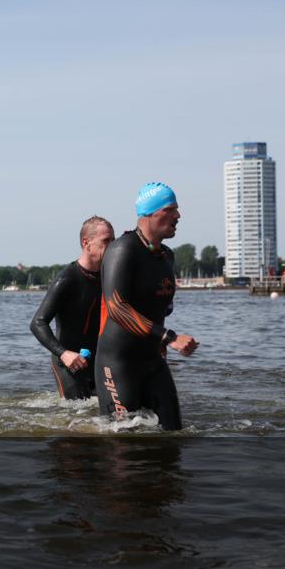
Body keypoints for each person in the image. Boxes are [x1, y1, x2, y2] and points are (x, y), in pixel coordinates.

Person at [95, 183, 198, 431]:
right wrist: (167, 337)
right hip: (119, 362)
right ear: (150, 213)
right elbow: (118, 308)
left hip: (152, 359)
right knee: (124, 443)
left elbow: (160, 305)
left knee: (174, 433)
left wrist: (160, 340)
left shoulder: (166, 256)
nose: (178, 216)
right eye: (171, 209)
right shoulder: (122, 250)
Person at [30, 216, 114, 400]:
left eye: (113, 240)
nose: (112, 246)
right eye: (106, 240)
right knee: (77, 415)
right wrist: (63, 354)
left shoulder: (111, 277)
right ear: (87, 243)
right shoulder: (68, 278)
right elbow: (38, 323)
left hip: (100, 361)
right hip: (69, 363)